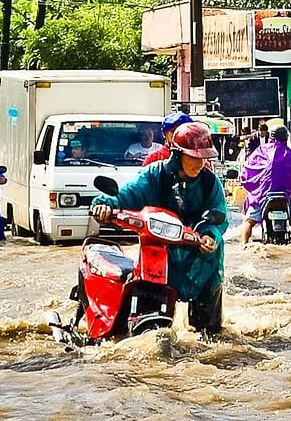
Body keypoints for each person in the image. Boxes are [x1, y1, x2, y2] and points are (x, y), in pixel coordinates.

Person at [91, 122, 227, 334]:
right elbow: (128, 194)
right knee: (151, 323)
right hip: (163, 252)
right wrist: (105, 204)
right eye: (193, 157)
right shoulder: (155, 175)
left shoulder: (210, 183)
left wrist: (211, 236)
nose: (199, 164)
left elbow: (219, 216)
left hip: (202, 256)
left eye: (203, 158)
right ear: (178, 154)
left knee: (209, 335)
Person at [238, 119, 291, 246]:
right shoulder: (290, 154)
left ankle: (243, 246)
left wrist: (245, 181)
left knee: (248, 221)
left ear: (271, 136)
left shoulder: (261, 151)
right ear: (286, 138)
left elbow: (248, 170)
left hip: (262, 197)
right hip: (284, 196)